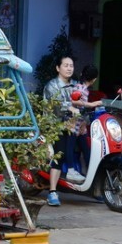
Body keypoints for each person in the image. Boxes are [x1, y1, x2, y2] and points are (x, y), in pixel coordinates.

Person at [42, 55, 83, 206]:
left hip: (71, 125)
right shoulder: (52, 85)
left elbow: (80, 101)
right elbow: (56, 105)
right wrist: (71, 107)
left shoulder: (75, 84)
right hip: (55, 126)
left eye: (71, 65)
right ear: (58, 68)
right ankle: (52, 192)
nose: (69, 68)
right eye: (65, 65)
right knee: (60, 156)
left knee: (84, 146)